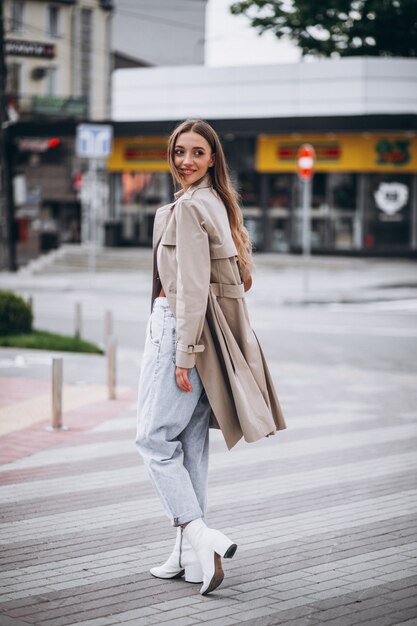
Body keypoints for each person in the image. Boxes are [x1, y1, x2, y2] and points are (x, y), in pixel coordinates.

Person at [136, 119, 286, 596]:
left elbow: (192, 287)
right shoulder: (218, 204)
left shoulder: (189, 209)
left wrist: (183, 355)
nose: (186, 161)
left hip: (180, 330)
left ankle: (202, 537)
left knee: (153, 440)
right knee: (191, 441)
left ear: (213, 158)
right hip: (210, 336)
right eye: (179, 151)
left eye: (197, 153)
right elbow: (238, 281)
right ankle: (189, 557)